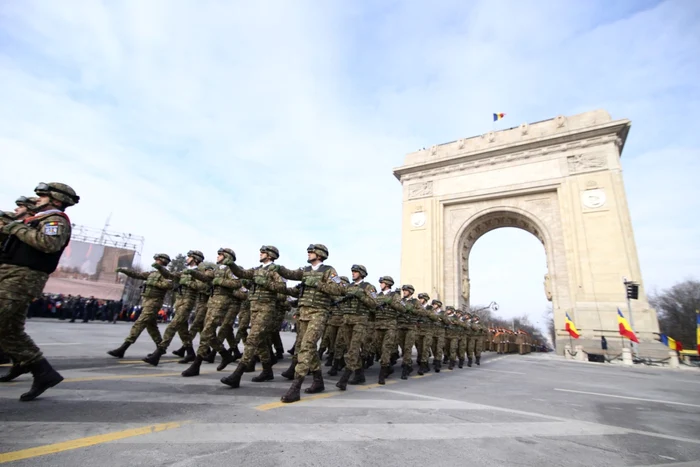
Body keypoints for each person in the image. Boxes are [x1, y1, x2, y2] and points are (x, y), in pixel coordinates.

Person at [0, 182, 79, 401]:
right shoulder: (33, 220)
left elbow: (49, 244)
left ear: (55, 199)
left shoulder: (55, 221)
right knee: (9, 331)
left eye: (42, 196)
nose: (37, 199)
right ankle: (42, 372)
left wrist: (15, 228)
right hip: (9, 276)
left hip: (21, 280)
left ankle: (38, 370)